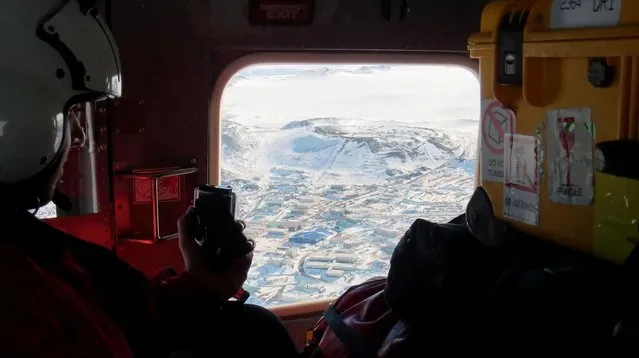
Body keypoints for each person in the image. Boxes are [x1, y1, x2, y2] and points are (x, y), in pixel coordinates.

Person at [0, 1, 297, 357]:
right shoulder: (13, 291)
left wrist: (203, 285)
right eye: (71, 112)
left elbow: (121, 314)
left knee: (257, 327)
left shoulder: (22, 244)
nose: (77, 134)